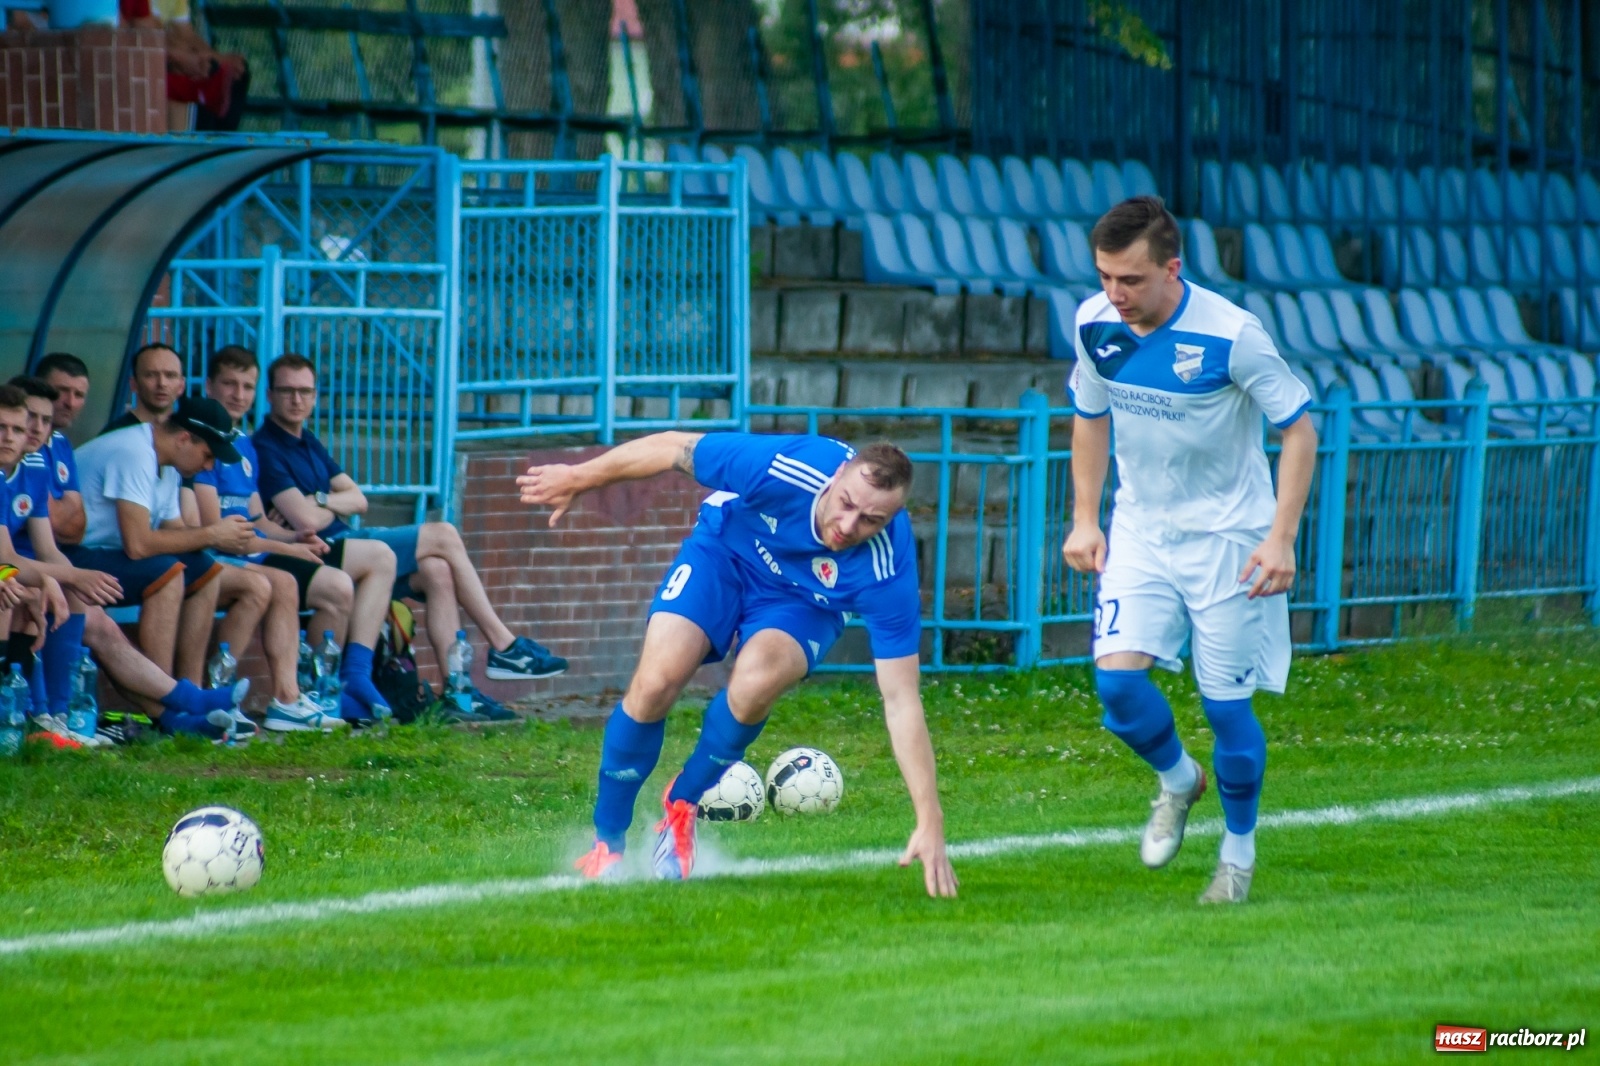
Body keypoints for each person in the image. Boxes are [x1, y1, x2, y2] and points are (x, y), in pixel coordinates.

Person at [517, 432, 958, 897]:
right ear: (835, 478)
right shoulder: (784, 467)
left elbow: (901, 700)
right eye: (846, 503)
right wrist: (579, 477)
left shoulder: (888, 569)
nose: (849, 525)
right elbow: (671, 447)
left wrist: (930, 818)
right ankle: (608, 841)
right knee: (655, 683)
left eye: (871, 520)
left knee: (754, 685)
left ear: (893, 518)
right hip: (724, 554)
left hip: (803, 603)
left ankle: (682, 804)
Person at [1061, 196, 1318, 905]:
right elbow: (1089, 417)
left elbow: (1299, 431)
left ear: (1173, 268)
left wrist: (1281, 538)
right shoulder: (1093, 324)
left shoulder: (1233, 336)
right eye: (1105, 277)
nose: (1115, 293)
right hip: (1141, 531)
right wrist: (1085, 518)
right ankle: (1179, 779)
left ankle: (1237, 854)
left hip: (1229, 541)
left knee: (1227, 710)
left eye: (1131, 279)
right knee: (1118, 689)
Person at [255, 353, 567, 719]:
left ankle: (458, 693)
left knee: (437, 570)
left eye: (305, 391)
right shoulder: (266, 446)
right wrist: (326, 505)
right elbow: (307, 520)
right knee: (443, 534)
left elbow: (358, 499)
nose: (296, 400)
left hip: (349, 543)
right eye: (287, 391)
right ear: (270, 395)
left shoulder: (307, 441)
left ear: (315, 396)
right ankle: (504, 645)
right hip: (323, 551)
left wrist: (319, 498)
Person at [0, 385, 243, 741]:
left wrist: (64, 577)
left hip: (29, 565)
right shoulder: (133, 451)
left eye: (27, 426)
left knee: (200, 571)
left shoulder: (35, 465)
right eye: (8, 426)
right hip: (20, 568)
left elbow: (47, 546)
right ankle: (34, 717)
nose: (28, 432)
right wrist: (61, 577)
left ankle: (168, 711)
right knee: (28, 594)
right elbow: (8, 557)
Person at [196, 346, 383, 728]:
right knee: (276, 583)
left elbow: (259, 521)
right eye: (229, 384)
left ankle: (299, 697)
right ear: (209, 386)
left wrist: (296, 538)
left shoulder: (243, 445)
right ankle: (218, 695)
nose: (238, 394)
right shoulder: (199, 442)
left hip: (252, 552)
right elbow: (219, 534)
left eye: (246, 386)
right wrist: (286, 543)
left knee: (331, 586)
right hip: (220, 556)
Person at [73, 396, 255, 686]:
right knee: (167, 573)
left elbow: (177, 533)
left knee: (205, 569)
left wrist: (226, 537)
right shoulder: (135, 452)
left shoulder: (169, 464)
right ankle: (164, 693)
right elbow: (138, 545)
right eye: (208, 455)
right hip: (71, 554)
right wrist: (212, 534)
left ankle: (191, 689)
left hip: (106, 552)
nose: (209, 466)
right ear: (184, 439)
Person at [31, 353, 88, 547]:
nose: (70, 403)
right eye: (61, 391)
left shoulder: (62, 444)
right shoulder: (22, 444)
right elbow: (52, 520)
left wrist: (58, 512)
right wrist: (65, 510)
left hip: (57, 553)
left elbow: (78, 528)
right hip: (20, 557)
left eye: (79, 395)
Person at [101, 343, 184, 434]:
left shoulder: (188, 434)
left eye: (170, 375)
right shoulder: (115, 434)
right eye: (151, 375)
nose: (162, 383)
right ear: (134, 384)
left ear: (181, 385)